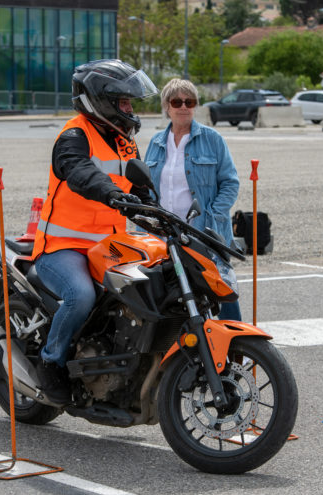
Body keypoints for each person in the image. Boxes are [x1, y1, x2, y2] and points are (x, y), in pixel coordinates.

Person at [30, 59, 158, 404]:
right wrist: (111, 192)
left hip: (109, 247)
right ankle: (50, 362)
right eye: (125, 103)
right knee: (81, 296)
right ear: (102, 101)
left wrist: (161, 214)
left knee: (150, 285)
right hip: (62, 247)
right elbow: (79, 171)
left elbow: (142, 190)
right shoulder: (73, 136)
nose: (130, 110)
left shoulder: (124, 142)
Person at [144, 78, 241, 321]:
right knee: (175, 294)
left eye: (190, 101)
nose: (184, 107)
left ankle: (238, 346)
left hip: (203, 233)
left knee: (220, 289)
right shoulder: (156, 143)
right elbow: (145, 188)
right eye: (177, 101)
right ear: (167, 106)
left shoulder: (212, 139)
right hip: (164, 235)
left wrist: (212, 214)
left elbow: (230, 182)